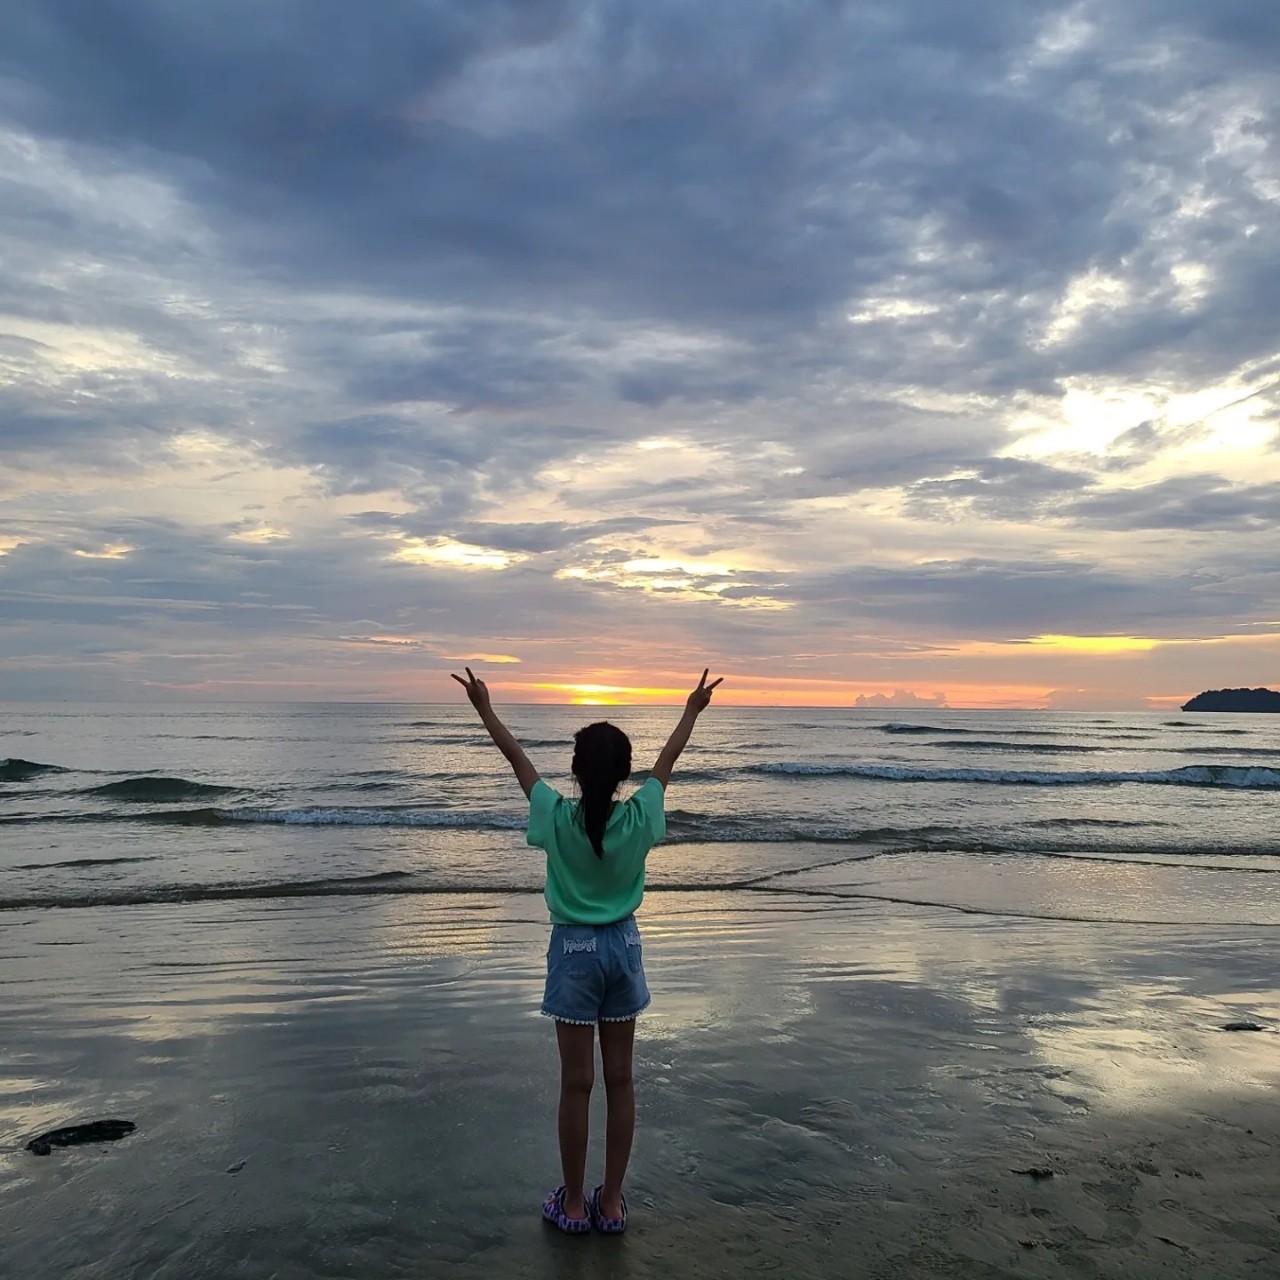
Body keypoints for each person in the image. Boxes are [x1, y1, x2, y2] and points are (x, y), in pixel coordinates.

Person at [450, 666, 724, 1235]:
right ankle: (612, 1203)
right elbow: (668, 761)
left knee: (576, 1083)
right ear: (625, 773)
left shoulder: (555, 816)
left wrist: (485, 709)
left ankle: (574, 1204)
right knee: (621, 1080)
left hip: (573, 951)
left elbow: (517, 761)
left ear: (575, 771)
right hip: (623, 947)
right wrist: (691, 710)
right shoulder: (641, 815)